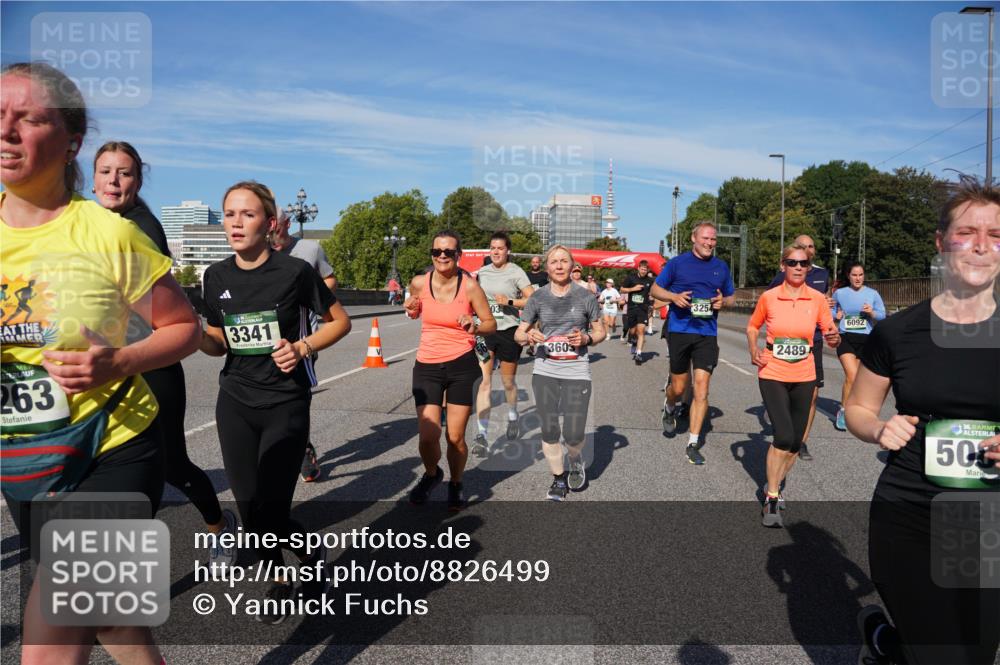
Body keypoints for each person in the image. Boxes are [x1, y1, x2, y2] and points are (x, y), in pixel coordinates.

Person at [1, 62, 201, 664]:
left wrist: (118, 360)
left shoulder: (107, 233)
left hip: (110, 450)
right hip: (25, 461)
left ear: (70, 141)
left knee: (48, 648)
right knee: (115, 625)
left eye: (29, 118)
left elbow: (185, 328)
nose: (7, 131)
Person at [846, 176, 1000, 665]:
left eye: (996, 234)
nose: (980, 245)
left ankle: (887, 645)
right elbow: (858, 408)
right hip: (911, 512)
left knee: (974, 655)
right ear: (940, 242)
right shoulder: (899, 332)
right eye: (967, 232)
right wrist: (877, 428)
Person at [199, 181, 351, 624]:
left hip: (285, 401)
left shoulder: (294, 273)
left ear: (268, 224)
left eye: (246, 215)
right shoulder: (216, 276)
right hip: (235, 402)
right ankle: (292, 566)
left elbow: (338, 322)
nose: (235, 223)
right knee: (249, 512)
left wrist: (302, 348)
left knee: (273, 510)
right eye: (229, 214)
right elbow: (218, 343)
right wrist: (197, 337)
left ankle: (297, 567)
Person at [92, 140, 237, 563]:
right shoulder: (85, 222)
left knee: (171, 463)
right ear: (92, 176)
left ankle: (219, 525)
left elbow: (144, 307)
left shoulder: (139, 228)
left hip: (150, 362)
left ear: (138, 180)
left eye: (124, 172)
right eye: (105, 171)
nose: (114, 181)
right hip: (105, 364)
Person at [747, 243, 839, 528]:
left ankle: (771, 484)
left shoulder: (817, 299)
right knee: (784, 436)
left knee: (796, 443)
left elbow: (829, 330)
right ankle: (772, 496)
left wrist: (835, 337)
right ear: (782, 265)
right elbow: (753, 326)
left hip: (805, 371)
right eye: (792, 262)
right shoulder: (770, 297)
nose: (798, 267)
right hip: (773, 370)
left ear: (809, 268)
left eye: (803, 263)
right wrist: (753, 350)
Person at [404, 231, 495, 510]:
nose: (442, 256)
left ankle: (456, 483)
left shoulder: (469, 287)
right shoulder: (420, 282)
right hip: (427, 365)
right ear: (432, 254)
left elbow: (490, 323)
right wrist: (410, 308)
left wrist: (475, 325)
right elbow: (413, 308)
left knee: (455, 437)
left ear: (459, 255)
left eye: (449, 252)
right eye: (437, 251)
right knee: (427, 435)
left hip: (461, 366)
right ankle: (432, 475)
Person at [515, 245, 605, 500]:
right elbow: (519, 333)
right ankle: (558, 479)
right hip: (545, 368)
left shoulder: (585, 296)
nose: (558, 265)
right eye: (553, 261)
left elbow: (601, 332)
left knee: (574, 433)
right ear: (547, 268)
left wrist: (586, 338)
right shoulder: (538, 297)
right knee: (550, 429)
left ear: (572, 265)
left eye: (563, 261)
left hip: (576, 369)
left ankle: (575, 459)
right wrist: (528, 334)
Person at [651, 222, 735, 465]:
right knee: (679, 387)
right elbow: (656, 289)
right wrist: (674, 297)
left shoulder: (721, 266)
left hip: (707, 333)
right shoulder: (677, 263)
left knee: (701, 388)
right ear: (693, 238)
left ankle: (693, 441)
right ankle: (669, 406)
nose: (710, 243)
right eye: (705, 238)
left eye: (713, 240)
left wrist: (723, 302)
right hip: (680, 330)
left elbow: (730, 296)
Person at [270, 207, 337, 483]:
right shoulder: (258, 252)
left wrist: (314, 299)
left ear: (286, 223)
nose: (271, 230)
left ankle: (303, 448)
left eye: (276, 224)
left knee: (298, 396)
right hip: (267, 335)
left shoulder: (309, 249)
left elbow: (330, 278)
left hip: (302, 335)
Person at [766, 234, 831, 460]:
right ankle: (785, 429)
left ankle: (801, 441)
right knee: (786, 395)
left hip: (814, 343)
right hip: (784, 344)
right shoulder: (781, 275)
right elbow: (769, 301)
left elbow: (826, 299)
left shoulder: (823, 274)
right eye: (802, 247)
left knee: (813, 395)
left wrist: (828, 307)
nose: (807, 250)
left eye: (811, 246)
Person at [471, 231, 534, 456]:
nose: (496, 252)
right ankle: (481, 435)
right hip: (486, 331)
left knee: (508, 382)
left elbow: (531, 298)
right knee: (484, 382)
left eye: (500, 248)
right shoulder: (483, 272)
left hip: (508, 330)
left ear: (507, 250)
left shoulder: (516, 271)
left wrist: (509, 301)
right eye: (492, 248)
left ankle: (513, 415)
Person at [830, 262, 885, 431]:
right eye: (854, 275)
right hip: (845, 338)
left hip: (866, 340)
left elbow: (882, 315)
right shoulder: (840, 293)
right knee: (852, 376)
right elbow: (829, 310)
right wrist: (836, 315)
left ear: (864, 276)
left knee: (860, 380)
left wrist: (872, 313)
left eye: (860, 275)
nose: (858, 278)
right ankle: (843, 411)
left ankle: (857, 410)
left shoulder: (872, 293)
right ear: (849, 276)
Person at [620, 259, 656, 364]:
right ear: (638, 268)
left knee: (641, 330)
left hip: (643, 309)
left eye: (645, 269)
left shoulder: (650, 281)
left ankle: (639, 354)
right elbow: (622, 289)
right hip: (632, 308)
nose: (644, 271)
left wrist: (653, 298)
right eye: (642, 269)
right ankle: (633, 340)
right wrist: (633, 289)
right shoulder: (631, 278)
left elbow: (654, 292)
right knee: (633, 330)